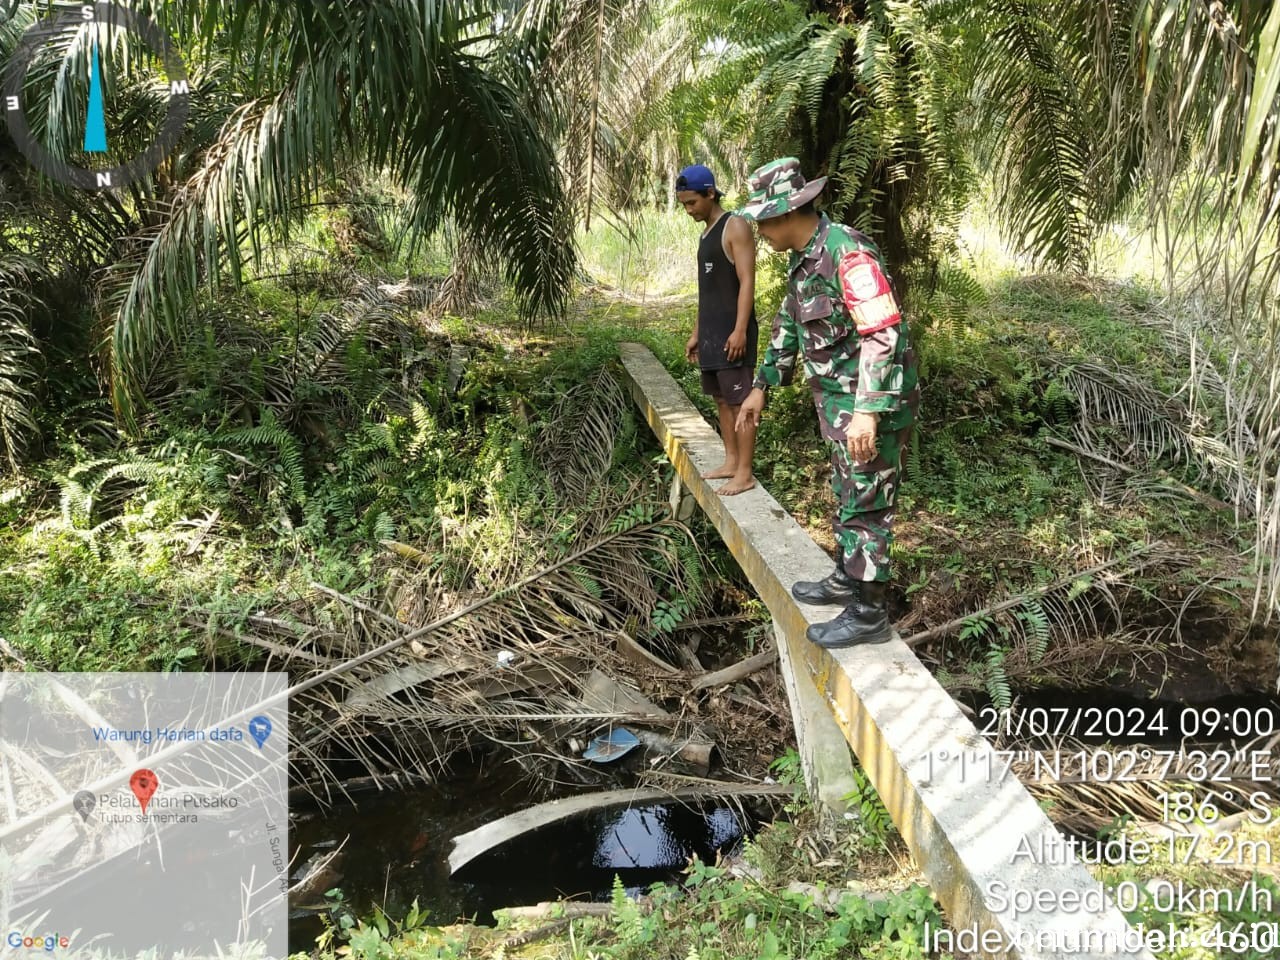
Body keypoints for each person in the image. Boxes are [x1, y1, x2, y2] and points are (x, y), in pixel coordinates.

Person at [733, 157, 919, 647]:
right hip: (839, 405)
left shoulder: (847, 254)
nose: (762, 233)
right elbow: (789, 327)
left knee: (866, 502)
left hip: (866, 407)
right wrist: (761, 385)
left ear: (786, 214)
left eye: (763, 222)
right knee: (846, 490)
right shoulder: (805, 260)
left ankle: (869, 612)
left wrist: (867, 412)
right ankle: (847, 576)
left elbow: (883, 334)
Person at [675, 163, 759, 496]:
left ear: (710, 193)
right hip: (711, 333)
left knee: (741, 402)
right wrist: (698, 331)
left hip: (732, 333)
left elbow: (747, 280)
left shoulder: (734, 226)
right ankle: (730, 460)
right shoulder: (706, 232)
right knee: (722, 400)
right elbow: (707, 289)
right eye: (683, 204)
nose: (688, 210)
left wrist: (740, 330)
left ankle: (745, 472)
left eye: (692, 202)